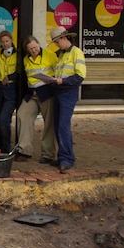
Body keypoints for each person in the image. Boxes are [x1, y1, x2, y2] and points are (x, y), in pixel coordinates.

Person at [13, 35, 58, 164]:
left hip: (46, 91)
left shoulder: (50, 55)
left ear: (39, 44)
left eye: (35, 47)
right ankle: (24, 150)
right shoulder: (26, 59)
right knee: (22, 115)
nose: (34, 50)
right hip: (31, 93)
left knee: (49, 123)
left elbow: (58, 71)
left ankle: (48, 153)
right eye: (31, 49)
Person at [48, 26, 87, 173]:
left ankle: (66, 159)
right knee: (59, 125)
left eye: (57, 42)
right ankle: (64, 155)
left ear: (65, 38)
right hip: (59, 91)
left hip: (68, 92)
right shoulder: (62, 54)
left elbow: (80, 76)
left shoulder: (76, 53)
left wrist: (62, 82)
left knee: (63, 125)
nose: (57, 45)